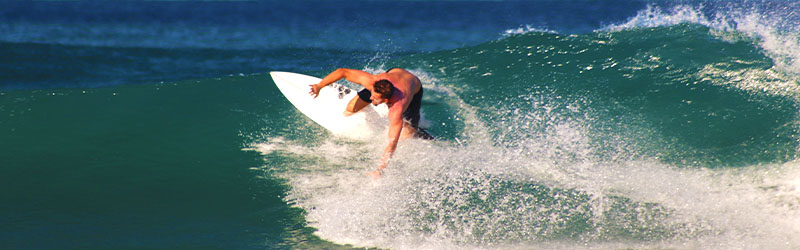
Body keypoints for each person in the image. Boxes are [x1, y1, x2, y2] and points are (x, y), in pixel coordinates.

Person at [309, 68, 431, 178]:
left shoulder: (397, 108)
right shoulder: (373, 82)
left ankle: (419, 132)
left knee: (407, 135)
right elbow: (343, 72)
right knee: (351, 108)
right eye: (371, 94)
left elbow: (392, 143)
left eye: (375, 98)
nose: (370, 98)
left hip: (413, 87)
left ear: (386, 101)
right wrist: (319, 86)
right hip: (393, 74)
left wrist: (380, 169)